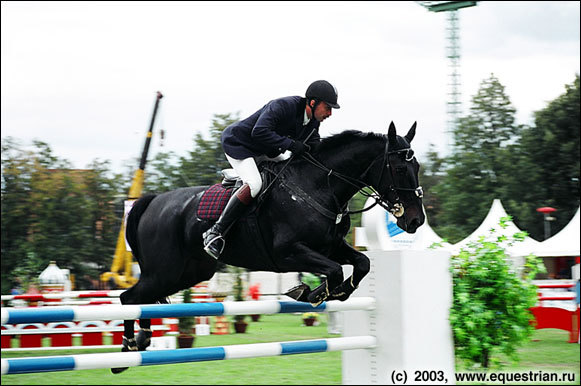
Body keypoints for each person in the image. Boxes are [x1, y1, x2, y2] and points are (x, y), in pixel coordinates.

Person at [203, 80, 340, 259]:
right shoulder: (283, 106)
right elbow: (259, 131)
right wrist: (291, 144)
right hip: (240, 144)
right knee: (254, 184)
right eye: (327, 107)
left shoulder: (313, 123)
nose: (329, 113)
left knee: (288, 177)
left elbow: (314, 147)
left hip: (266, 150)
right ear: (313, 103)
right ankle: (215, 232)